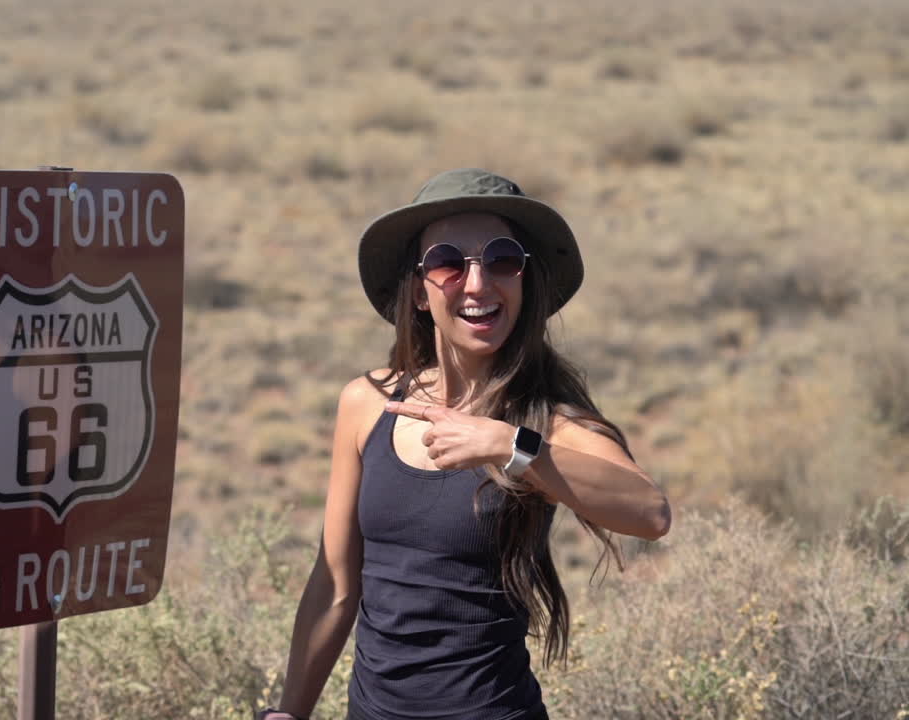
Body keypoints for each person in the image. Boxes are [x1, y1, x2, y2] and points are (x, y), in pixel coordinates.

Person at [257, 169, 672, 720]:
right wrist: (291, 711)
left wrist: (511, 447)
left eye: (502, 260)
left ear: (524, 283)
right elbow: (334, 584)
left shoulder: (543, 422)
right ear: (418, 291)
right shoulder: (366, 404)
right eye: (449, 262)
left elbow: (650, 512)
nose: (477, 284)